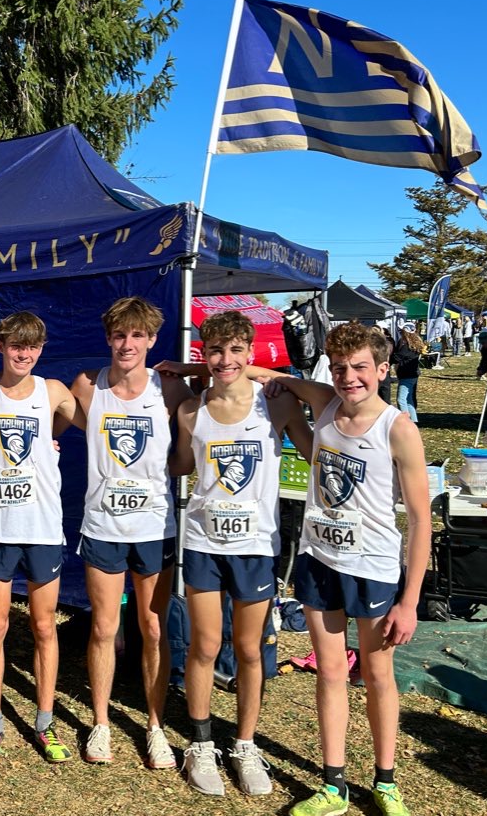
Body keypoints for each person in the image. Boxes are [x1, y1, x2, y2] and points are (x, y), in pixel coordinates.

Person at [259, 322, 430, 816]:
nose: (348, 377)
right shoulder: (323, 401)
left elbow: (420, 522)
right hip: (318, 560)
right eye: (338, 368)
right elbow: (257, 371)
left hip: (372, 566)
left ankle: (385, 780)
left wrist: (410, 601)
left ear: (381, 370)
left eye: (359, 368)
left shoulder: (398, 428)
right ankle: (334, 785)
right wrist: (188, 368)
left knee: (377, 673)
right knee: (331, 672)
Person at [164, 311, 312, 797]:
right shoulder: (191, 410)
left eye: (235, 351)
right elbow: (182, 464)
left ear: (250, 353)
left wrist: (273, 377)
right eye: (214, 352)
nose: (225, 360)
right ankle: (202, 743)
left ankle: (245, 745)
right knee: (205, 646)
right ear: (203, 356)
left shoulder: (278, 404)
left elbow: (318, 445)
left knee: (250, 650)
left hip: (255, 546)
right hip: (205, 543)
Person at [69, 297, 192, 768]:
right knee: (104, 626)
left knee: (153, 628)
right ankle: (100, 724)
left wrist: (181, 367)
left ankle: (155, 726)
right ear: (108, 338)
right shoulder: (87, 385)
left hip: (154, 526)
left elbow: (226, 383)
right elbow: (38, 404)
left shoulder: (171, 390)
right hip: (103, 525)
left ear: (151, 340)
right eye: (120, 335)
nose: (127, 344)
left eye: (137, 336)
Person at [0, 311, 79, 768]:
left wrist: (48, 440)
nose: (24, 353)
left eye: (32, 346)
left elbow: (92, 415)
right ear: (1, 345)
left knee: (43, 625)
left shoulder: (52, 391)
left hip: (42, 530)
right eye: (16, 344)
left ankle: (44, 720)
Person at [390, 324, 422, 424]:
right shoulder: (415, 345)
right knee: (409, 400)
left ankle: (405, 422)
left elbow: (396, 358)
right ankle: (414, 420)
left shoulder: (407, 347)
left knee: (401, 400)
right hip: (413, 374)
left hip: (407, 375)